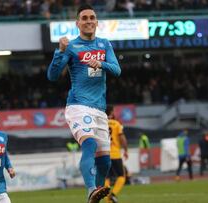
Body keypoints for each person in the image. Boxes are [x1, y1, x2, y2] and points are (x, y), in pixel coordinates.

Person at [47, 4, 121, 203]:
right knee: (89, 144)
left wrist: (101, 63)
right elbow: (53, 76)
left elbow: (117, 70)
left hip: (99, 109)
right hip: (78, 105)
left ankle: (95, 196)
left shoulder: (105, 44)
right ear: (77, 23)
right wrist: (59, 51)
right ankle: (90, 189)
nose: (89, 21)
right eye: (85, 18)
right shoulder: (71, 46)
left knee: (104, 162)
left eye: (92, 17)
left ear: (97, 22)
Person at [104, 105, 128, 203]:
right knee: (121, 176)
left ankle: (107, 200)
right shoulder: (116, 124)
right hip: (115, 154)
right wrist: (126, 150)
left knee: (106, 178)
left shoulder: (100, 124)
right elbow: (122, 138)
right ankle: (113, 195)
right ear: (112, 112)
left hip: (104, 155)